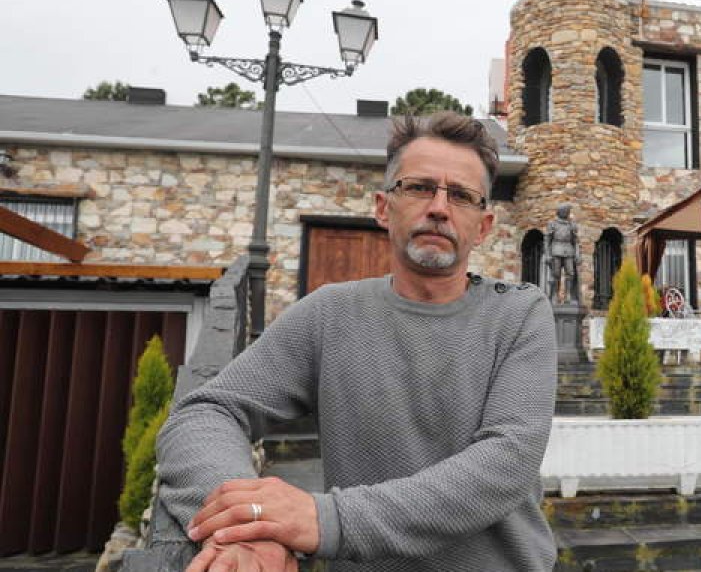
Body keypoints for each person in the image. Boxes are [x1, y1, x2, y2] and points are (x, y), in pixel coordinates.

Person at [156, 112, 558, 571]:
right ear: (383, 208)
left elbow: (506, 461)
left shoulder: (520, 315)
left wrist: (324, 518)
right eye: (420, 187)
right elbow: (207, 412)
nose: (439, 208)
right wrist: (245, 526)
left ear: (483, 227)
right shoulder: (330, 314)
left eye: (461, 196)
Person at [544, 204, 580, 304]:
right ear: (561, 212)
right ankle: (555, 295)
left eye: (568, 211)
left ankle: (568, 295)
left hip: (569, 249)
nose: (568, 213)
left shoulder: (572, 225)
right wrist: (547, 254)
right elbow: (547, 240)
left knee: (570, 273)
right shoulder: (553, 224)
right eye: (566, 211)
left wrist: (577, 254)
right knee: (556, 274)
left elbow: (576, 241)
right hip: (556, 249)